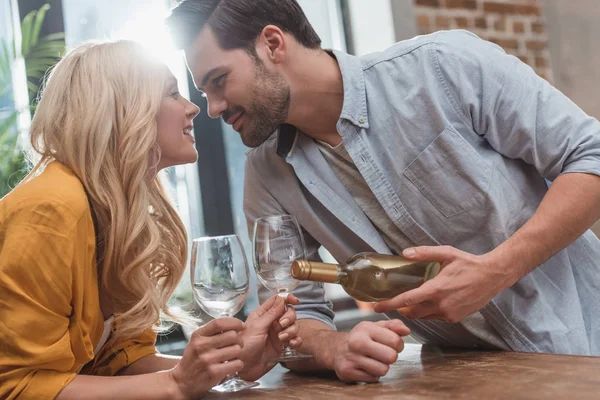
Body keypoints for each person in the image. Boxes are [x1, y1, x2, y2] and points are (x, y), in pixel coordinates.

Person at [166, 0, 600, 384]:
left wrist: (495, 271)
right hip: (474, 380)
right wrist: (333, 348)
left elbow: (590, 156)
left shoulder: (443, 67)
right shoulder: (266, 172)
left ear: (273, 44)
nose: (214, 108)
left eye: (219, 81)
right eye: (204, 92)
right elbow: (290, 315)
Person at [0, 40, 303, 400]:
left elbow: (120, 361)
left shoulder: (116, 210)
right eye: (173, 93)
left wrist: (231, 366)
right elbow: (20, 387)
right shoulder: (49, 207)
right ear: (123, 109)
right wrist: (176, 384)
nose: (194, 108)